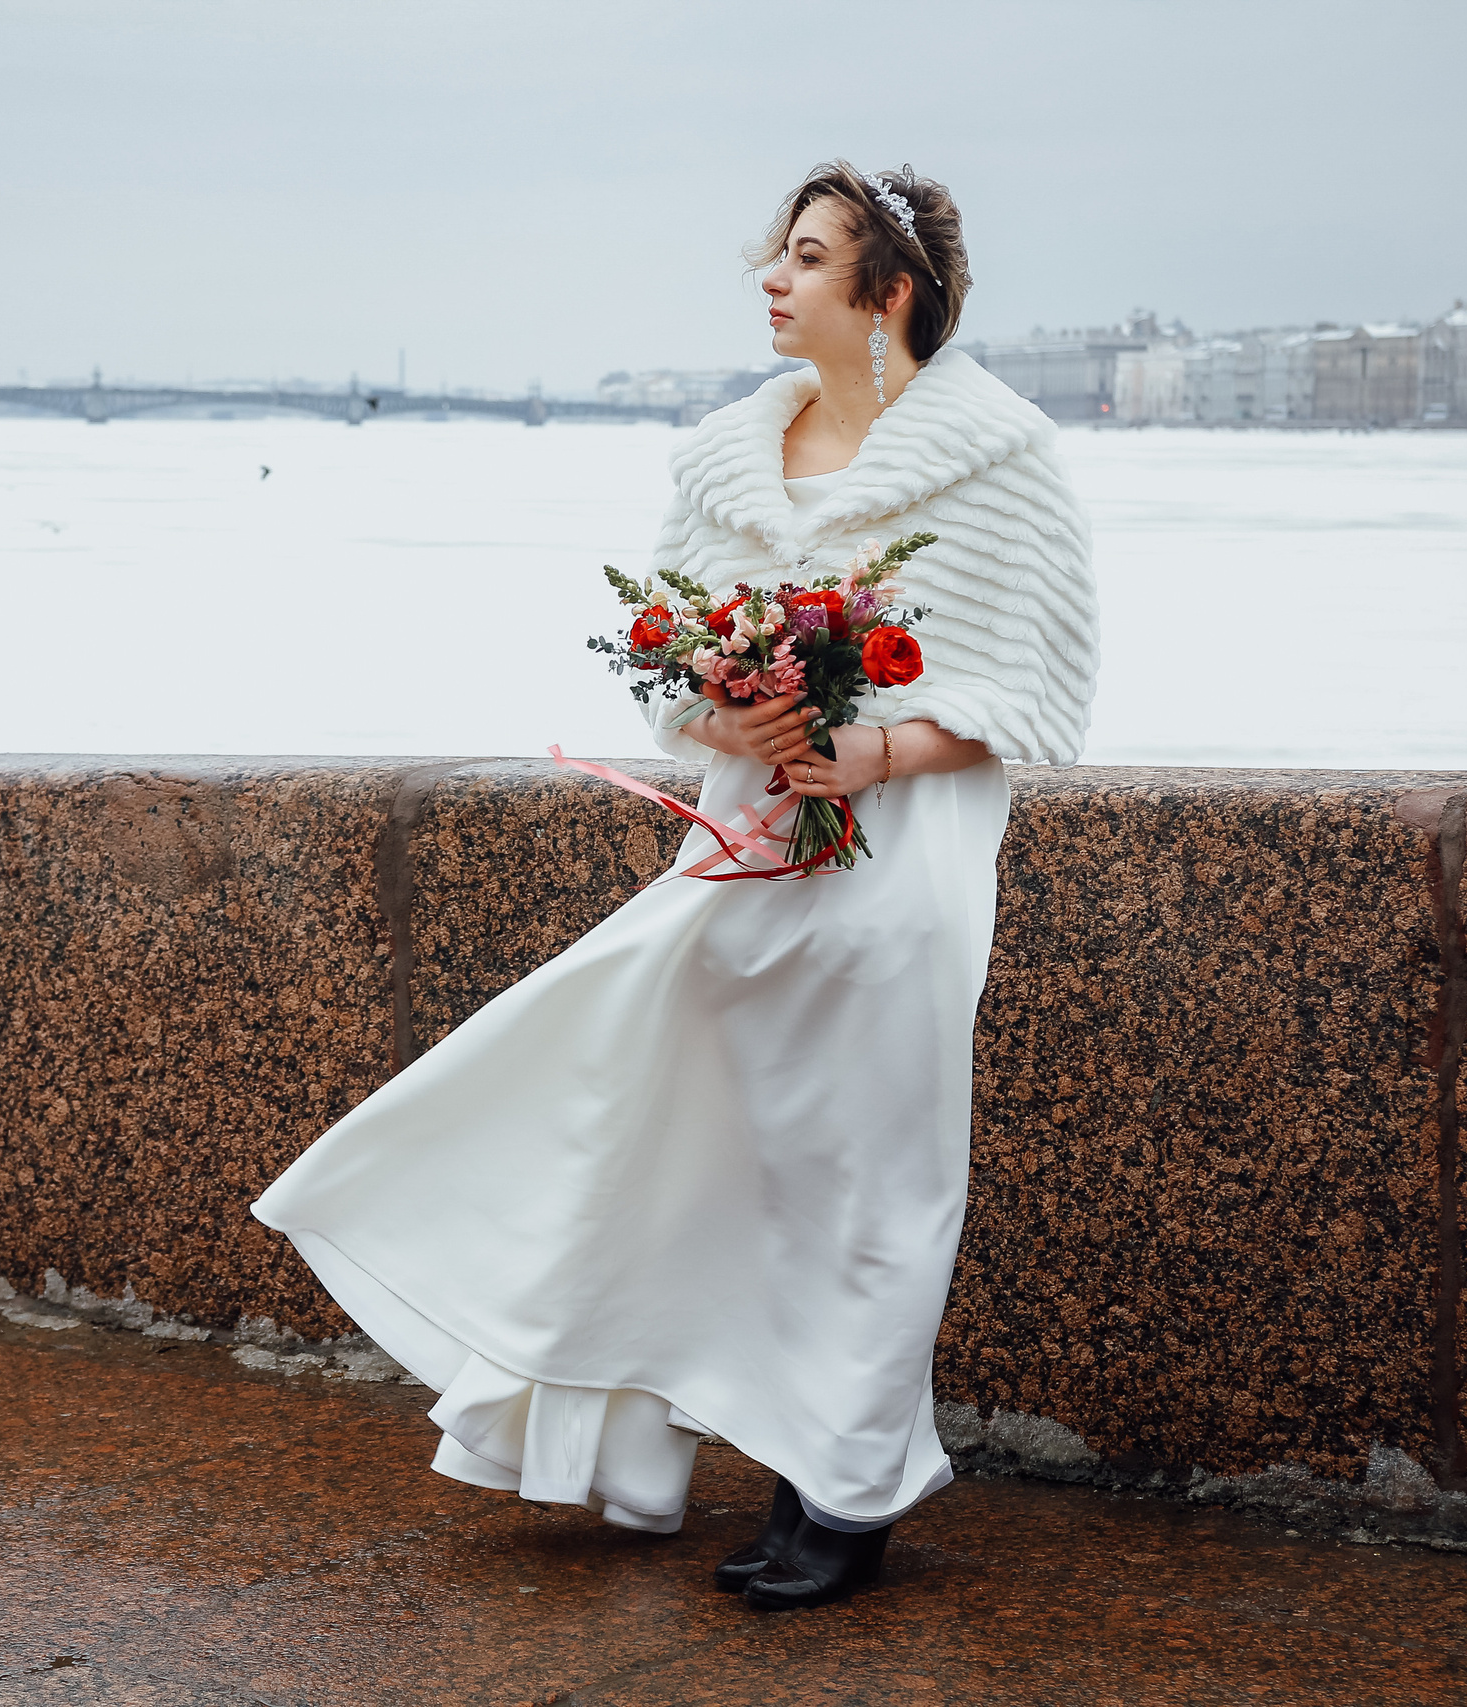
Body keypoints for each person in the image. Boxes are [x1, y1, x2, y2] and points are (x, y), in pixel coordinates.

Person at [252, 161, 1097, 1610]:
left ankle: (847, 1487)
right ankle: (729, 1445)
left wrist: (876, 745)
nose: (772, 278)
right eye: (776, 253)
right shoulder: (721, 461)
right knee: (693, 1141)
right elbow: (667, 670)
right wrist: (738, 715)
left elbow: (1041, 693)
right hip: (744, 850)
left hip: (902, 863)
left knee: (873, 1172)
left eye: (810, 257)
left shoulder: (1001, 461)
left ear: (889, 292)